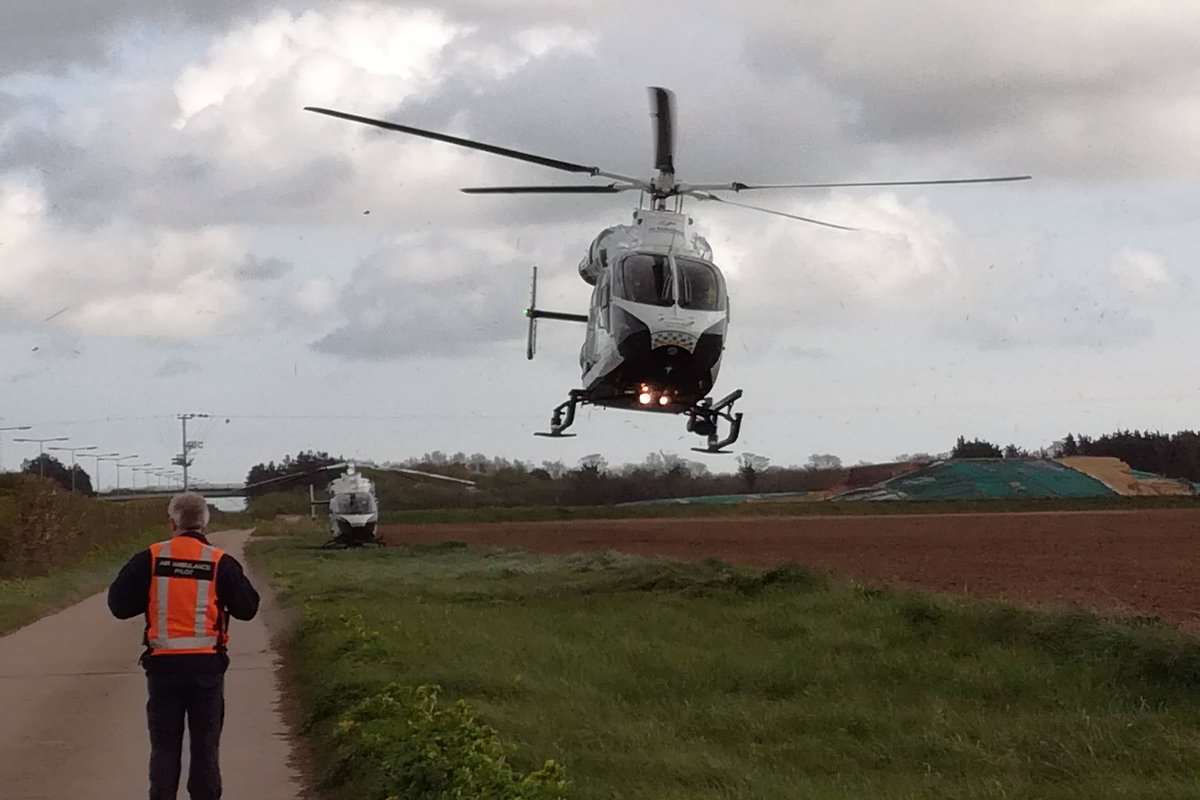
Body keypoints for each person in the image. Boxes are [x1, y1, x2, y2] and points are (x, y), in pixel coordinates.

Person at [107, 492, 260, 800]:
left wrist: (150, 595)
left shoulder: (149, 558)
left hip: (163, 668)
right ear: (205, 523)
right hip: (207, 668)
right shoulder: (220, 562)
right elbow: (248, 608)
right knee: (205, 747)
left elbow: (118, 605)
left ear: (171, 522)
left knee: (164, 748)